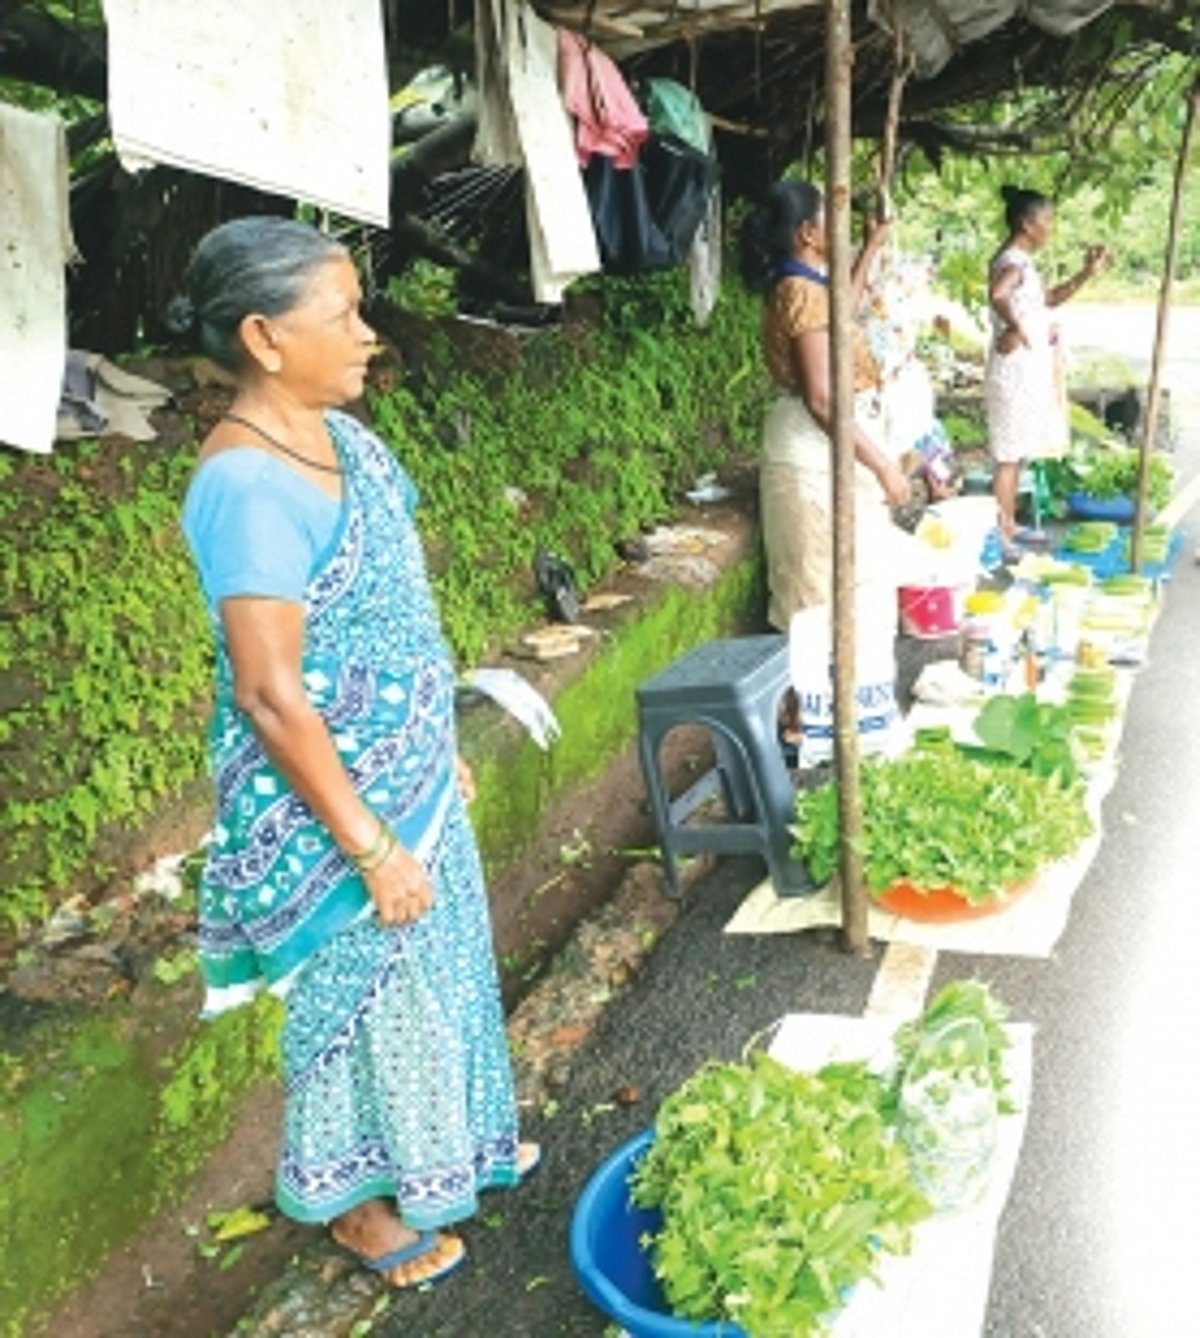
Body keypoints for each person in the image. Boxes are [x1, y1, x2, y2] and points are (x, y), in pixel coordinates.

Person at [173, 217, 538, 1291]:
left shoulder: (348, 442)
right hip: (327, 802)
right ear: (264, 337)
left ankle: (447, 1152)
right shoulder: (245, 486)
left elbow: (391, 612)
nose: (369, 335)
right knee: (358, 1006)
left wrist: (429, 746)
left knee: (437, 977)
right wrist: (371, 843)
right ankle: (360, 1209)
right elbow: (271, 693)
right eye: (343, 316)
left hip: (402, 776)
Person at [741, 180, 911, 628]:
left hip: (832, 443)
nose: (841, 227)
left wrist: (871, 247)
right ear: (807, 234)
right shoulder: (798, 290)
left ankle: (844, 694)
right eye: (829, 218)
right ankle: (813, 699)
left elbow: (841, 312)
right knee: (813, 601)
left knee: (851, 588)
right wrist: (883, 465)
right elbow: (821, 399)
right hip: (811, 451)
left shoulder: (809, 284)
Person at [986, 186, 1108, 556]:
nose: (1050, 228)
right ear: (1027, 224)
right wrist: (1014, 327)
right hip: (1012, 372)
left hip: (1022, 372)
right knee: (1007, 455)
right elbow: (998, 294)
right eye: (1046, 221)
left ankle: (1009, 522)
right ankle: (1001, 534)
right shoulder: (1013, 262)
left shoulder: (1023, 261)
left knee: (1017, 451)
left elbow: (1049, 299)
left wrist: (1087, 272)